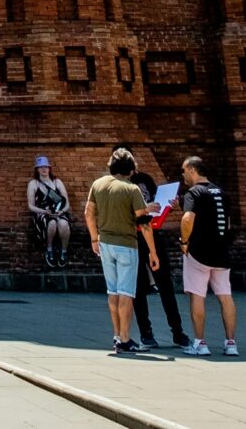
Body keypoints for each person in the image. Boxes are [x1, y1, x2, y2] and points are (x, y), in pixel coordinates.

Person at [84, 148, 152, 354]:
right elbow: (143, 222)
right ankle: (125, 338)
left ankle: (116, 335)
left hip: (105, 243)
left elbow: (88, 213)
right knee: (126, 293)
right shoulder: (131, 189)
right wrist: (153, 252)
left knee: (112, 292)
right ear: (131, 169)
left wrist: (94, 238)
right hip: (126, 245)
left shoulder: (98, 184)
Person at [176, 157, 239, 356]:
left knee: (197, 295)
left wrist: (184, 242)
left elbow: (188, 219)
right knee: (225, 296)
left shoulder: (193, 192)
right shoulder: (221, 192)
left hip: (199, 252)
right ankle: (231, 343)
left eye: (184, 171)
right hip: (221, 253)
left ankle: (200, 343)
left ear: (193, 170)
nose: (183, 175)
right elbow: (227, 224)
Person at [126, 170, 188, 349]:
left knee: (165, 283)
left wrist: (169, 204)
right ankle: (146, 333)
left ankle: (177, 331)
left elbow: (158, 200)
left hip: (153, 232)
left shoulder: (144, 179)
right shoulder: (121, 184)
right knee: (138, 285)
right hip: (133, 236)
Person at [26, 159, 71, 269]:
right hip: (42, 213)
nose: (44, 169)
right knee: (51, 224)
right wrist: (44, 211)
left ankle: (63, 251)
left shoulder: (57, 182)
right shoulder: (33, 183)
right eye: (41, 167)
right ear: (37, 169)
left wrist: (62, 211)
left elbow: (67, 204)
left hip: (58, 211)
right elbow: (31, 206)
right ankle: (49, 249)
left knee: (63, 224)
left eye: (46, 167)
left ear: (49, 169)